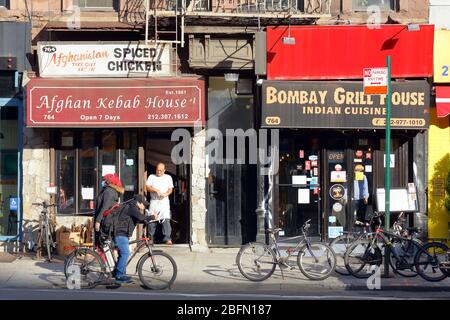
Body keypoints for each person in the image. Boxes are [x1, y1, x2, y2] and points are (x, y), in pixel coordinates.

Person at [113, 194, 154, 284]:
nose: (144, 206)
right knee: (125, 253)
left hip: (122, 233)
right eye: (144, 204)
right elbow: (141, 217)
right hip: (120, 233)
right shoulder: (132, 207)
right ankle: (119, 275)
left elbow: (138, 219)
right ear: (138, 203)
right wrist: (152, 217)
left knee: (123, 253)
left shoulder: (132, 207)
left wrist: (146, 220)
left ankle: (119, 272)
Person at [145, 163, 174, 245]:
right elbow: (147, 187)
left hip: (164, 201)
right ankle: (151, 238)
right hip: (154, 201)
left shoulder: (168, 177)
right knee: (152, 219)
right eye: (157, 170)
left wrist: (165, 194)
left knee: (166, 219)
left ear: (164, 170)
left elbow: (170, 189)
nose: (159, 172)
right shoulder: (151, 176)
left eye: (161, 170)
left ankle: (167, 238)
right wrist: (155, 190)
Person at [94, 173, 124, 246]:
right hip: (108, 221)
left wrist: (98, 221)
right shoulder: (110, 190)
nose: (102, 181)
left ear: (108, 182)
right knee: (106, 246)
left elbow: (105, 207)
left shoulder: (109, 191)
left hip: (106, 222)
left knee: (104, 246)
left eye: (104, 180)